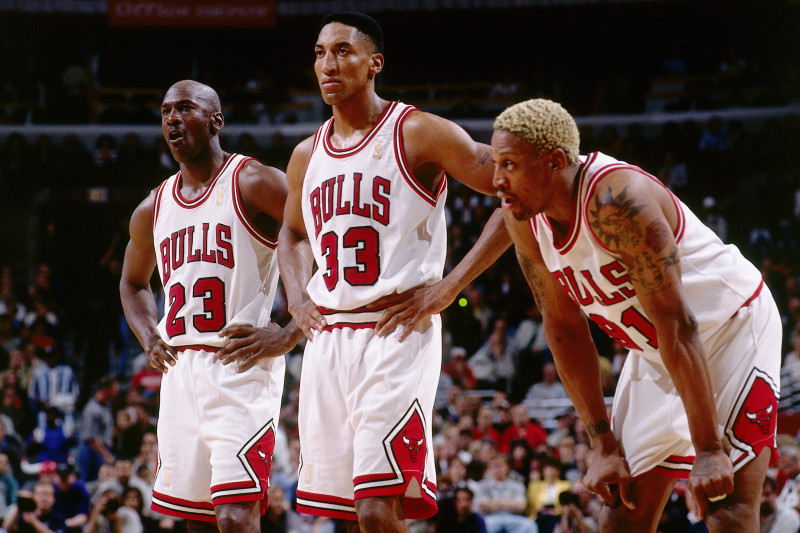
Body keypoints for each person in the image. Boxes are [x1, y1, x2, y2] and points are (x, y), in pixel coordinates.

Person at [491, 98, 782, 531]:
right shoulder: (524, 221)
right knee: (621, 515)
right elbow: (564, 330)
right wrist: (600, 443)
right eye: (495, 164)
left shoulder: (617, 201)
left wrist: (706, 449)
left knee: (727, 507)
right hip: (656, 351)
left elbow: (679, 324)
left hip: (731, 327)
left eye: (509, 164)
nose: (496, 180)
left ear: (553, 161)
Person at [277, 11, 509, 532]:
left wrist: (452, 286)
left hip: (396, 329)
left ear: (374, 63)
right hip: (328, 338)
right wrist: (296, 295)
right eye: (319, 53)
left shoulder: (419, 132)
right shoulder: (304, 155)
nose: (328, 63)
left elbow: (516, 189)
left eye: (342, 51)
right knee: (346, 512)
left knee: (378, 505)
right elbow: (291, 235)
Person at [119, 80, 303, 532]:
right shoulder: (152, 207)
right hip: (181, 371)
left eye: (184, 108)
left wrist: (290, 330)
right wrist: (148, 335)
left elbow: (322, 238)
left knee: (236, 516)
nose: (171, 119)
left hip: (240, 368)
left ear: (215, 120)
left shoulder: (253, 180)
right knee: (196, 520)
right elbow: (131, 282)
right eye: (164, 111)